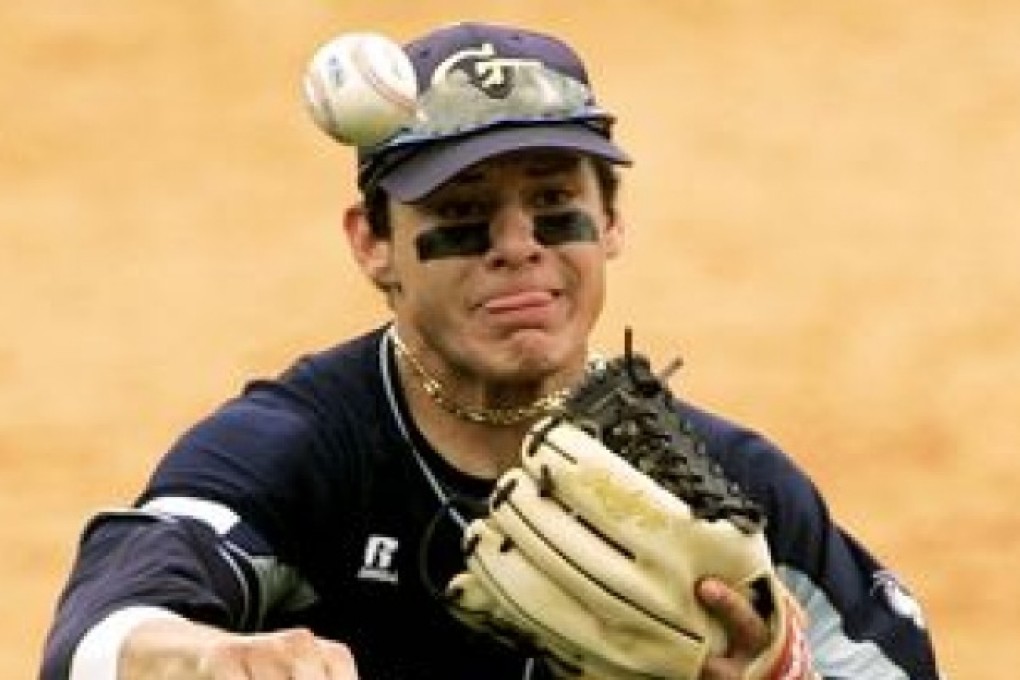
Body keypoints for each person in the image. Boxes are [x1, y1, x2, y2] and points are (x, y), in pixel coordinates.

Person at [39, 20, 942, 680]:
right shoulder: (301, 452)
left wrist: (783, 671)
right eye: (462, 217)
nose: (518, 245)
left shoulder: (728, 490)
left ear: (613, 222)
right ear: (372, 242)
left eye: (554, 204)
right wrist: (214, 656)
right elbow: (95, 636)